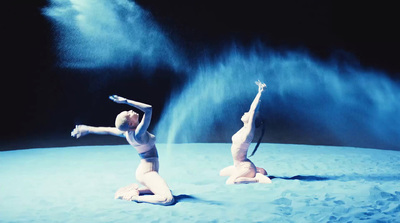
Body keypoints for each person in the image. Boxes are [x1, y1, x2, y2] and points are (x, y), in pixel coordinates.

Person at [71, 95, 174, 205]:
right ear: (131, 123)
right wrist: (126, 101)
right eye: (128, 114)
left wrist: (87, 129)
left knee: (160, 189)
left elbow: (108, 130)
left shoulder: (127, 133)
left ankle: (134, 191)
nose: (130, 111)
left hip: (146, 169)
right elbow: (148, 109)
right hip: (148, 172)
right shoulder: (138, 134)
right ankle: (134, 197)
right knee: (167, 199)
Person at [219, 81, 272, 184]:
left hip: (245, 166)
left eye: (247, 113)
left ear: (251, 119)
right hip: (237, 165)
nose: (245, 112)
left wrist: (260, 93)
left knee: (231, 182)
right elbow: (251, 111)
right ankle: (257, 170)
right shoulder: (243, 128)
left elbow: (253, 110)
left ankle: (256, 178)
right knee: (221, 173)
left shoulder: (249, 130)